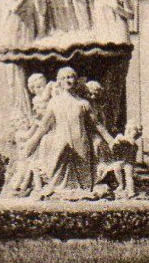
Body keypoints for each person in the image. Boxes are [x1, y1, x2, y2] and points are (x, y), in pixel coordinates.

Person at [31, 67, 114, 199]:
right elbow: (43, 126)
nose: (67, 81)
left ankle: (83, 192)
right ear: (59, 81)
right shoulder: (54, 102)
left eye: (70, 77)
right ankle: (61, 191)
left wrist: (111, 140)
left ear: (75, 80)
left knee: (83, 178)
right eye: (64, 78)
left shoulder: (83, 103)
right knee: (61, 168)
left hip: (80, 141)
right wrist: (31, 143)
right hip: (61, 140)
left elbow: (96, 125)